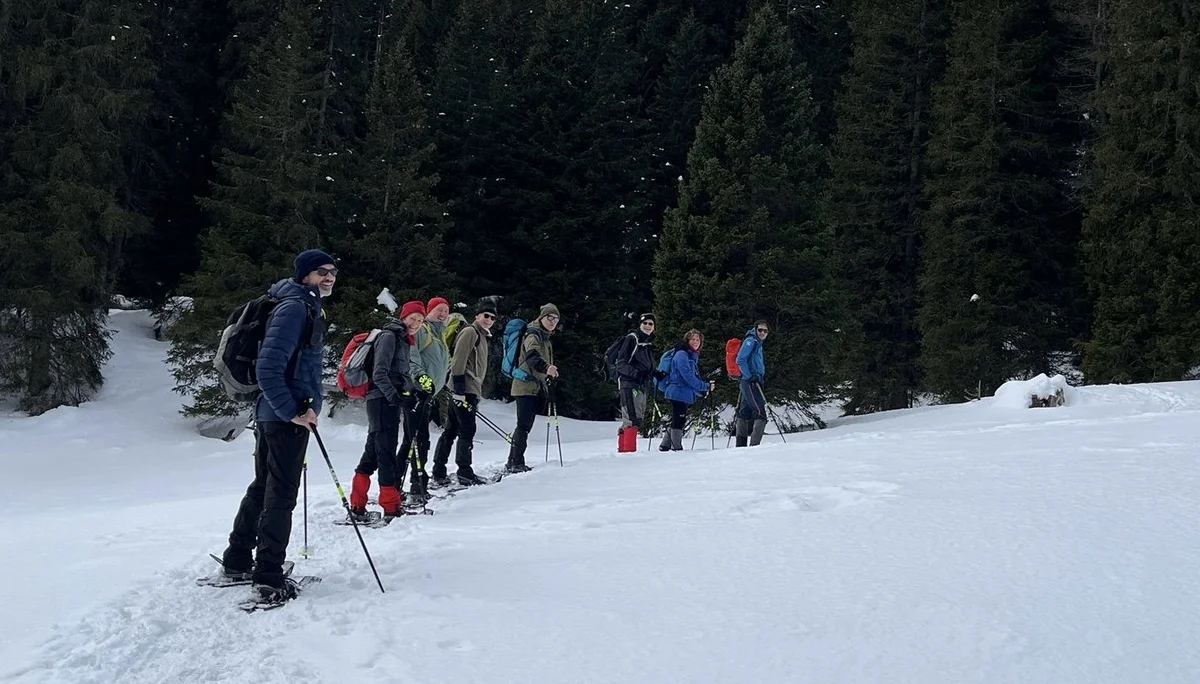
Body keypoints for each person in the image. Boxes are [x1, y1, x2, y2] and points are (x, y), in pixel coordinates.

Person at [221, 249, 334, 603]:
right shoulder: (294, 308)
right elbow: (269, 367)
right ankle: (269, 575)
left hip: (278, 413)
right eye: (320, 272)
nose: (328, 277)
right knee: (280, 494)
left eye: (332, 272)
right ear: (304, 276)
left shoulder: (298, 304)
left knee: (264, 486)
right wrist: (293, 411)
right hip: (284, 415)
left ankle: (238, 559)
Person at [348, 301, 423, 519]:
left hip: (386, 400)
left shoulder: (403, 341)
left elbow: (400, 374)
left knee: (373, 452)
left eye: (420, 320)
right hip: (381, 400)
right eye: (413, 318)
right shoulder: (389, 337)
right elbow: (379, 373)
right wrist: (397, 398)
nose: (416, 324)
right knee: (386, 452)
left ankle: (358, 504)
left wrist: (413, 391)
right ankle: (391, 506)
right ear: (403, 317)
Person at [431, 299, 496, 486]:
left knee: (451, 430)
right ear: (477, 315)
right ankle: (464, 471)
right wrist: (459, 387)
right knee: (467, 429)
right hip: (464, 388)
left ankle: (439, 469)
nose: (488, 320)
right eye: (486, 315)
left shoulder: (482, 335)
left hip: (469, 388)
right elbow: (459, 359)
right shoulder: (470, 332)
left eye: (492, 317)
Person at [402, 296, 452, 502]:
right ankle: (413, 485)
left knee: (416, 440)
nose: (442, 314)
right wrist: (422, 380)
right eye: (438, 310)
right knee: (416, 440)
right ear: (429, 311)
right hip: (416, 394)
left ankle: (410, 483)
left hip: (427, 394)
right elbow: (412, 357)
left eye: (446, 311)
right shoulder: (423, 330)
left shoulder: (439, 334)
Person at [507, 304, 561, 473]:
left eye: (555, 319)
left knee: (524, 426)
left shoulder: (544, 336)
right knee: (523, 426)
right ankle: (516, 462)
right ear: (541, 318)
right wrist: (547, 368)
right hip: (525, 386)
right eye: (549, 318)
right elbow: (532, 357)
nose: (552, 322)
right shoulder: (533, 334)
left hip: (531, 386)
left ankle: (514, 461)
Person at [613, 313, 662, 453]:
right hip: (630, 384)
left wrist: (655, 373)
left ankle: (624, 451)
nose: (647, 326)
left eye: (650, 324)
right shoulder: (632, 339)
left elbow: (645, 366)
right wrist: (637, 374)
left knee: (634, 418)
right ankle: (628, 453)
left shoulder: (647, 343)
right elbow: (621, 364)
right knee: (632, 418)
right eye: (645, 323)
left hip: (640, 385)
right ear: (640, 325)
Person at [658, 330, 713, 451]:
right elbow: (687, 377)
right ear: (687, 340)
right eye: (692, 339)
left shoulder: (691, 355)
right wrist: (705, 387)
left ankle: (665, 445)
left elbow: (690, 378)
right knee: (679, 419)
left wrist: (701, 390)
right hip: (677, 391)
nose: (695, 342)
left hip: (681, 392)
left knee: (678, 417)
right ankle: (677, 447)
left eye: (698, 340)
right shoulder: (682, 354)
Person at [735, 320, 769, 447]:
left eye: (765, 331)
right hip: (750, 381)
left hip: (751, 380)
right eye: (760, 330)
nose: (762, 333)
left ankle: (740, 445)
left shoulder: (757, 343)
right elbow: (740, 359)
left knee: (744, 411)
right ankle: (755, 445)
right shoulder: (751, 341)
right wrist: (750, 375)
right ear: (755, 330)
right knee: (760, 412)